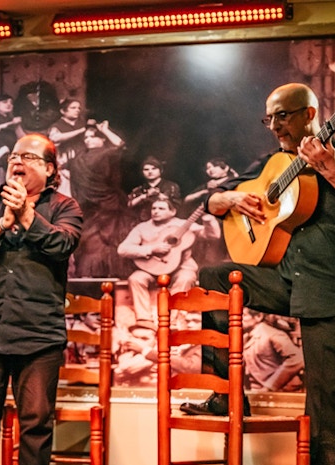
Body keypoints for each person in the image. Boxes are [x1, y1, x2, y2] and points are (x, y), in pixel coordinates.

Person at [179, 82, 335, 465]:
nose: (275, 126)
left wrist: (332, 172)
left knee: (325, 404)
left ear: (312, 113)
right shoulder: (273, 164)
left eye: (284, 116)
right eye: (269, 118)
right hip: (288, 281)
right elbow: (211, 200)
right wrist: (230, 200)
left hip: (334, 292)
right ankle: (226, 395)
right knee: (215, 278)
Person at [0, 133, 83, 465]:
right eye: (14, 155)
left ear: (48, 169)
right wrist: (1, 225)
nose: (18, 160)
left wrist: (27, 217)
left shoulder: (65, 206)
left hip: (39, 333)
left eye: (28, 156)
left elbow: (63, 245)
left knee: (35, 420)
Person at [117, 195, 221, 330]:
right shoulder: (142, 227)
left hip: (180, 268)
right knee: (136, 279)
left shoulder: (184, 225)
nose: (156, 211)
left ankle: (174, 319)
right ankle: (144, 319)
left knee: (186, 277)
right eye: (154, 208)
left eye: (161, 208)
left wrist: (208, 219)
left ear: (172, 212)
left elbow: (212, 236)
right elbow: (122, 249)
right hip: (151, 268)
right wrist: (151, 249)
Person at [66, 120, 132, 278]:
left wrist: (105, 131)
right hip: (97, 207)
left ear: (102, 139)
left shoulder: (91, 157)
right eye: (86, 137)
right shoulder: (88, 157)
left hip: (98, 208)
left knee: (99, 244)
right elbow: (121, 145)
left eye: (92, 136)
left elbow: (120, 145)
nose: (88, 139)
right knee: (96, 244)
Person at [242, 308, 304, 392]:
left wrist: (270, 385)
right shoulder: (246, 337)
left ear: (258, 316)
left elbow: (298, 358)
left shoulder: (272, 335)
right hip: (257, 392)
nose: (240, 318)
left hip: (283, 393)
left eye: (244, 315)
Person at [48, 98, 87, 196]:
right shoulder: (57, 125)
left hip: (82, 161)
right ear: (63, 111)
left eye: (78, 108)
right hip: (66, 162)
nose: (77, 110)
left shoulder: (81, 123)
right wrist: (79, 131)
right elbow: (55, 138)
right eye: (73, 108)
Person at [127, 156, 182, 223]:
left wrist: (158, 194)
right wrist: (144, 196)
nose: (150, 172)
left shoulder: (171, 186)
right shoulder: (139, 189)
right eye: (146, 169)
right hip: (143, 223)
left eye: (154, 168)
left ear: (161, 170)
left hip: (167, 222)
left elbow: (177, 206)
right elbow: (129, 205)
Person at [0, 94, 24, 187]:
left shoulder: (11, 120)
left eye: (11, 103)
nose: (9, 104)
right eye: (5, 102)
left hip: (9, 159)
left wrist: (17, 125)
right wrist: (2, 126)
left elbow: (23, 139)